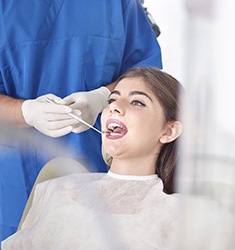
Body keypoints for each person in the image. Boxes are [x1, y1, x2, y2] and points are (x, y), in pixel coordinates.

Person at [0, 0, 162, 241]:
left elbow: (149, 78)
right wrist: (24, 112)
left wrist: (103, 96)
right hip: (13, 178)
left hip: (100, 167)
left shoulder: (117, 5)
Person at [1, 67, 183, 249]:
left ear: (169, 131)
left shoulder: (181, 214)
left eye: (137, 102)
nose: (114, 107)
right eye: (112, 99)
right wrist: (24, 111)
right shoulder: (58, 190)